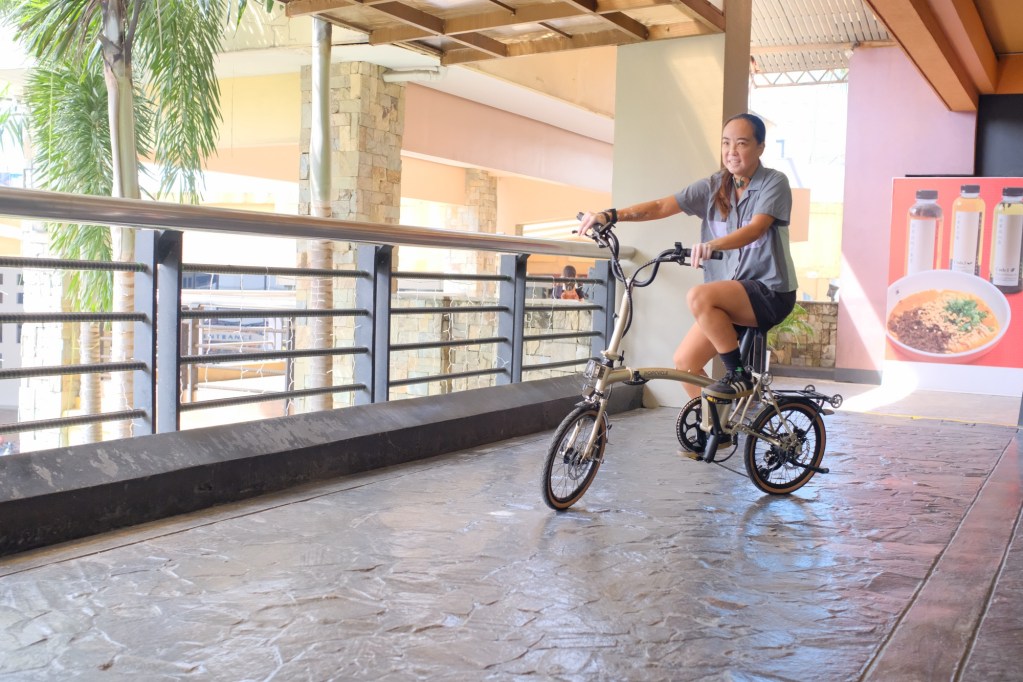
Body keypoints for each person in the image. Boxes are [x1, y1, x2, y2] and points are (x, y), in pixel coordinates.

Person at [577, 112, 797, 402]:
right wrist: (610, 215)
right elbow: (660, 206)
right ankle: (716, 427)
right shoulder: (714, 186)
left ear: (760, 148)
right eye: (726, 143)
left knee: (699, 296)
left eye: (742, 143)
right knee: (685, 363)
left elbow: (755, 229)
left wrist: (713, 244)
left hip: (770, 292)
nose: (732, 151)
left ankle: (738, 374)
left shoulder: (773, 182)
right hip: (732, 295)